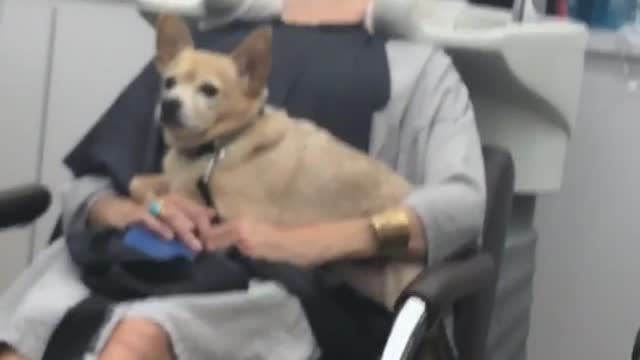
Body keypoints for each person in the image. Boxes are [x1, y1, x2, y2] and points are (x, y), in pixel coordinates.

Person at [0, 1, 486, 359]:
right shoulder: (203, 53)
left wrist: (310, 242)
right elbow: (87, 187)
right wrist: (140, 210)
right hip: (139, 253)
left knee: (140, 336)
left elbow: (463, 204)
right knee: (32, 324)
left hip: (289, 287)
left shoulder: (418, 72)